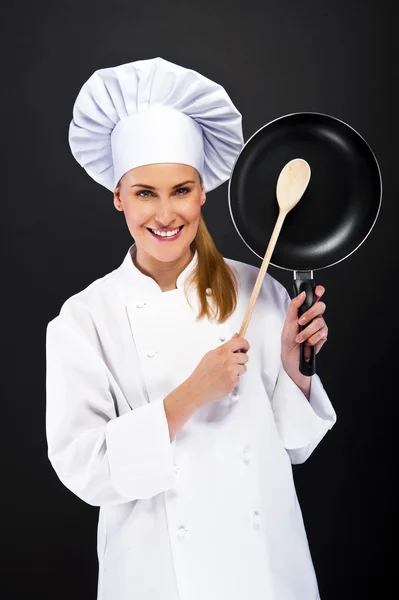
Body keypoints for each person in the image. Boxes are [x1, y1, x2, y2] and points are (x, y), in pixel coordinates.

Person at [45, 57, 336, 600]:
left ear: (203, 192)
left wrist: (295, 372)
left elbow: (294, 447)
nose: (165, 214)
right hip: (156, 577)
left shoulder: (260, 289)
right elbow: (84, 470)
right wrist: (188, 397)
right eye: (144, 193)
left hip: (266, 573)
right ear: (118, 197)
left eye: (181, 190)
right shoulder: (84, 320)